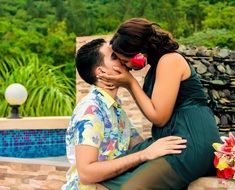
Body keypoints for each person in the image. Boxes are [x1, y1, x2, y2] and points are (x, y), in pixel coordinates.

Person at [98, 18, 221, 189]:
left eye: (125, 61)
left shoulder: (170, 61)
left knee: (131, 187)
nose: (126, 67)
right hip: (170, 139)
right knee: (105, 178)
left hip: (190, 142)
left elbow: (159, 117)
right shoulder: (156, 67)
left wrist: (130, 83)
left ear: (140, 53)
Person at [62, 38, 187, 190]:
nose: (122, 59)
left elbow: (138, 145)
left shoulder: (114, 107)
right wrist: (144, 154)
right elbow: (87, 174)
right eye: (114, 57)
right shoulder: (91, 110)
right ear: (101, 72)